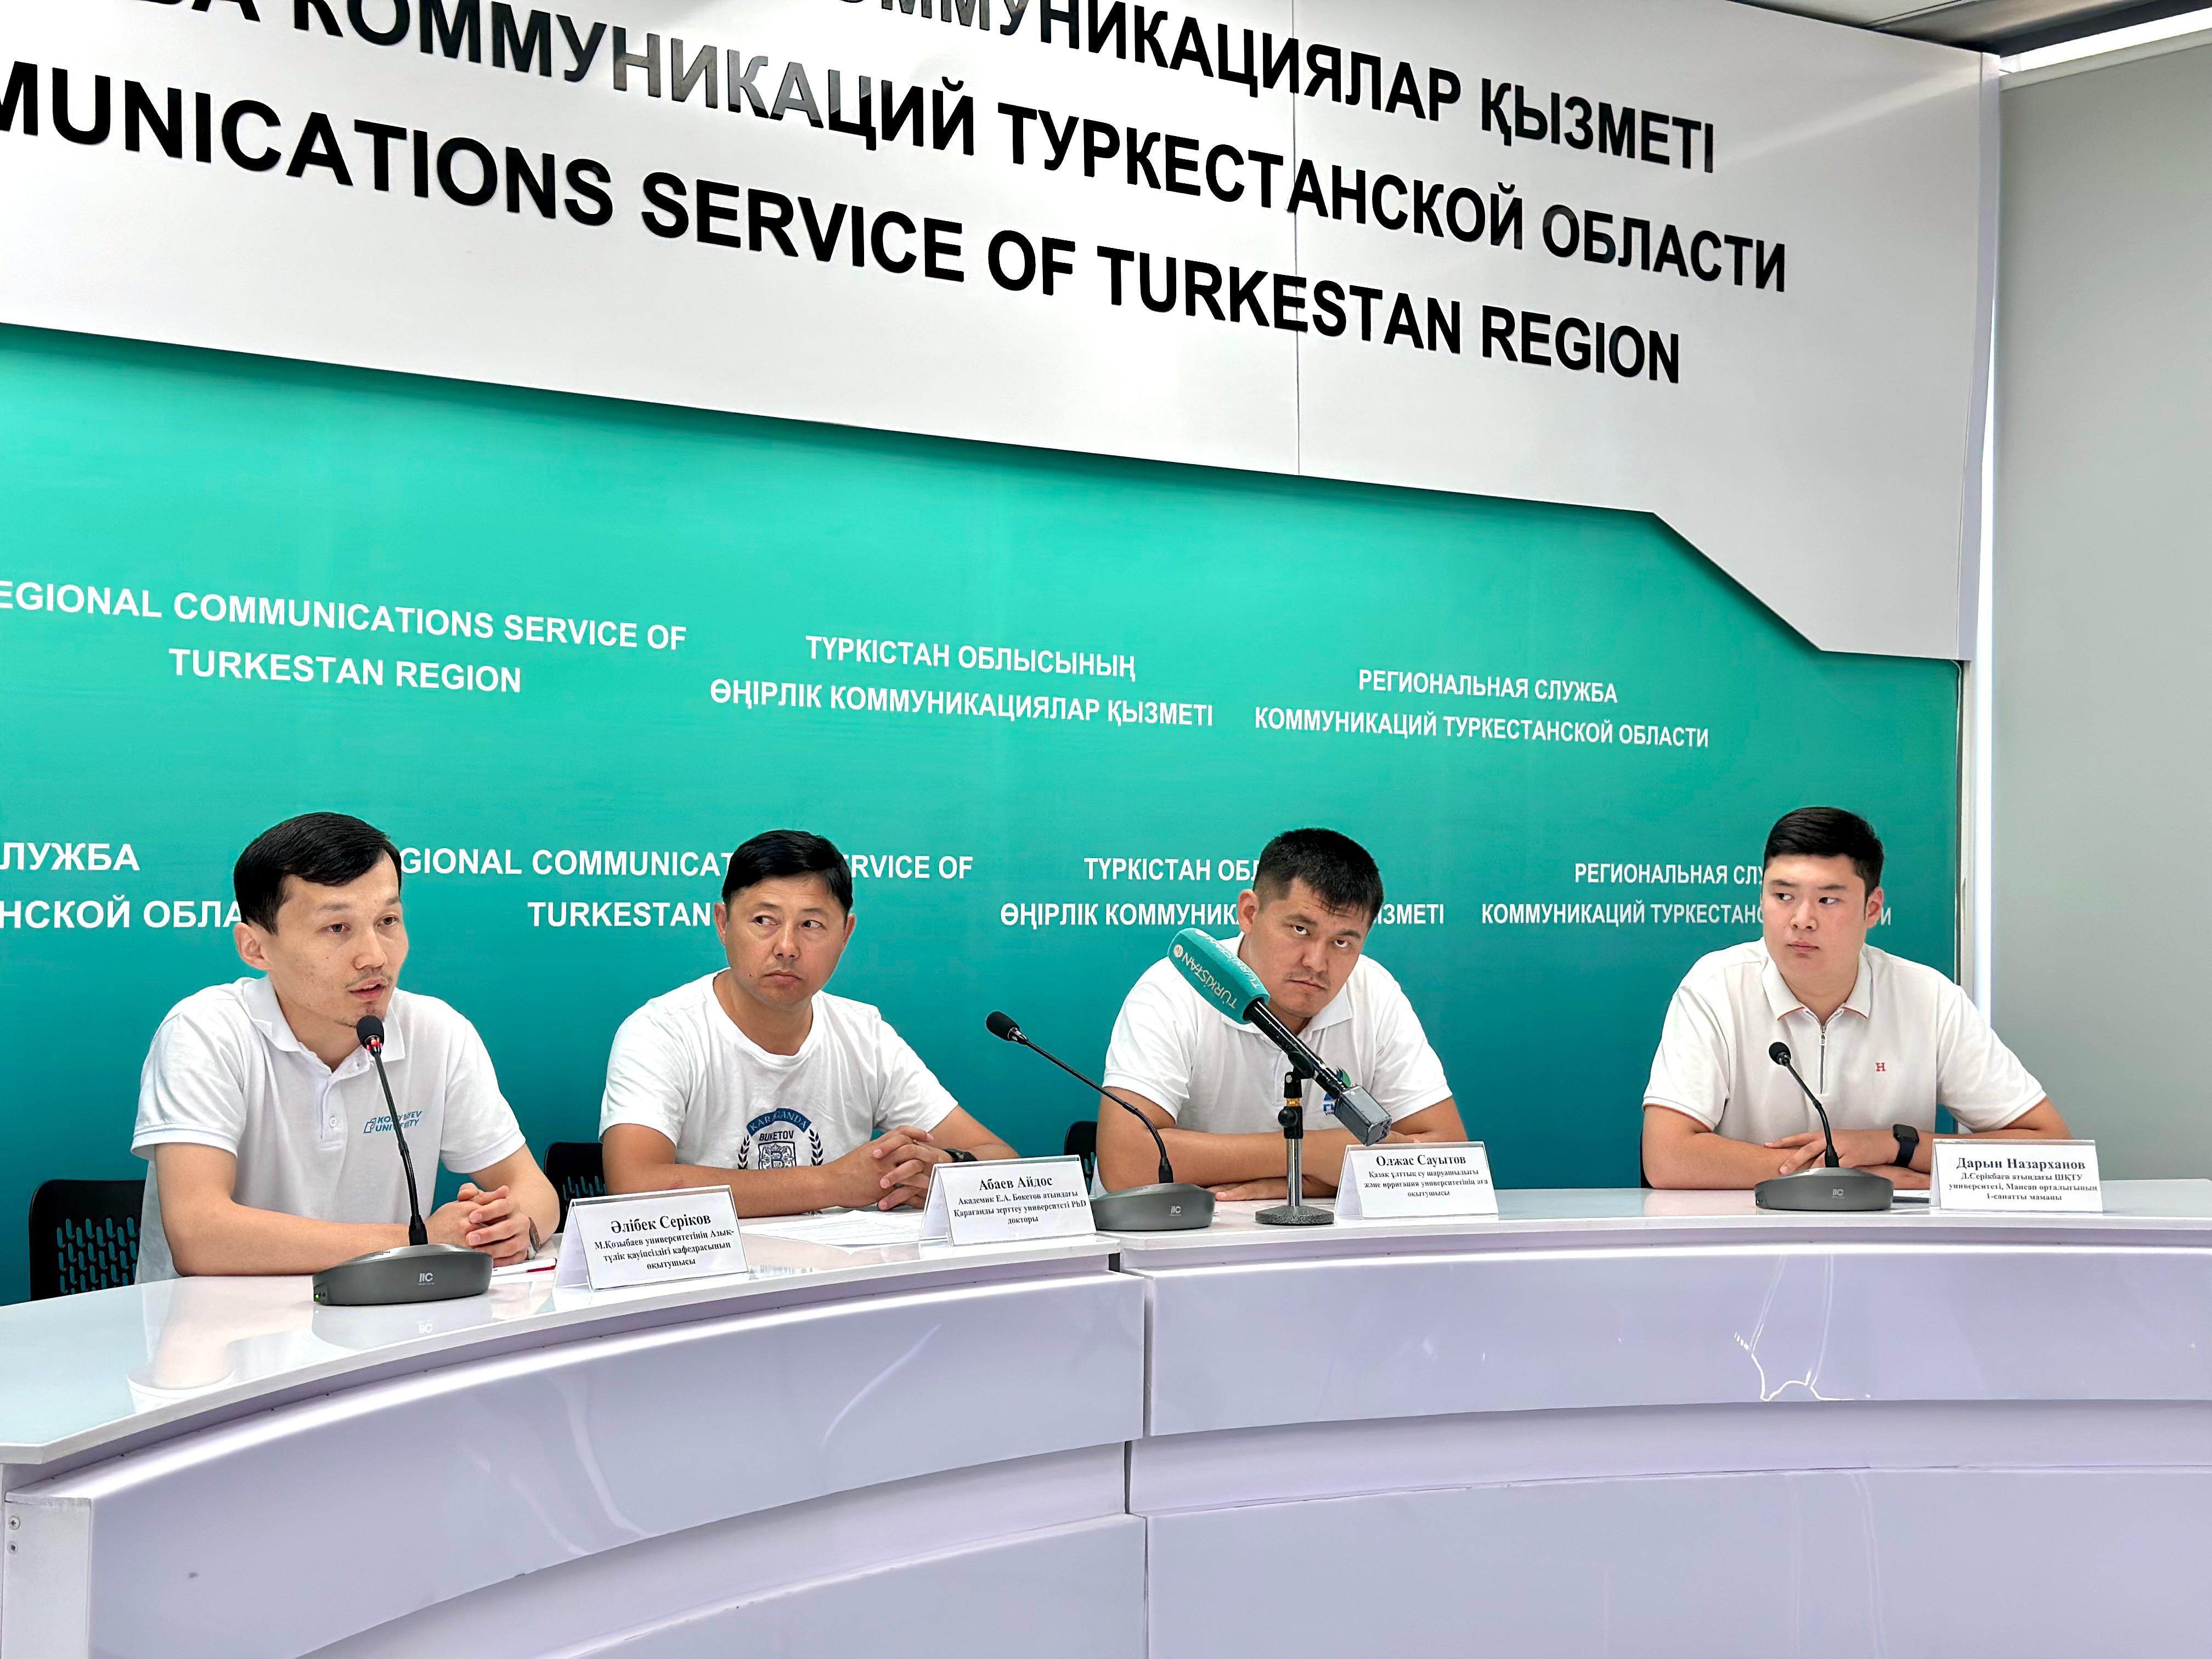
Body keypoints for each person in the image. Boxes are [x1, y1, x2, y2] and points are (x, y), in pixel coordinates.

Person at [133, 813, 558, 1280]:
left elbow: (531, 1188)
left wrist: (514, 1227)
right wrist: (418, 1241)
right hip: (218, 1322)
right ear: (255, 948)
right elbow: (200, 1235)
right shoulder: (205, 1031)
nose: (374, 956)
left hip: (386, 1316)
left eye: (388, 921)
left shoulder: (437, 1030)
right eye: (337, 928)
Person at [1642, 806, 2072, 1189]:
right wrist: (1843, 1178)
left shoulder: (1930, 998)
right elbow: (1667, 1158)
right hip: (1749, 1238)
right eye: (1783, 896)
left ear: (1872, 908)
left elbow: (2052, 1150)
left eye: (1828, 899)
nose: (1802, 920)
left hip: (1891, 1240)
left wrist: (1895, 1146)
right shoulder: (1715, 989)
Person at [600, 830, 1016, 1214]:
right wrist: (832, 1184)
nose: (786, 947)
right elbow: (635, 1184)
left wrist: (944, 1166)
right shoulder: (662, 1032)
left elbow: (1000, 1160)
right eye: (764, 921)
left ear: (845, 934)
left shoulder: (865, 1034)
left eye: (811, 924)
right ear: (723, 924)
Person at [1096, 828, 1465, 1199]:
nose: (1316, 962)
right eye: (1300, 929)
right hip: (1185, 1231)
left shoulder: (1373, 991)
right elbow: (1127, 1163)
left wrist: (1298, 1182)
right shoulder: (1177, 987)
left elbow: (1450, 1163)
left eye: (1342, 942)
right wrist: (1314, 1153)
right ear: (1250, 913)